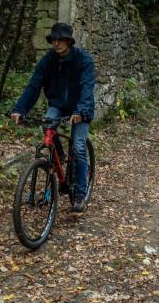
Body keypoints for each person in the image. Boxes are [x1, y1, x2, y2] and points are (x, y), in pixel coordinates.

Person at [10, 22, 96, 213]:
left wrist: (81, 111)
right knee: (47, 126)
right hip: (58, 105)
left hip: (81, 109)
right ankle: (60, 158)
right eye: (53, 40)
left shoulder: (83, 60)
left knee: (79, 147)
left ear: (69, 41)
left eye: (60, 40)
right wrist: (20, 109)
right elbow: (34, 86)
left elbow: (87, 88)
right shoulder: (47, 61)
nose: (56, 43)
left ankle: (80, 194)